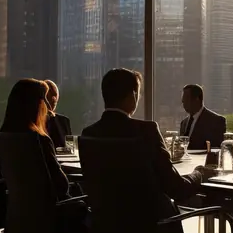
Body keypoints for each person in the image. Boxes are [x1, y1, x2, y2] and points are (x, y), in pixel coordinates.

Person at [82, 68, 214, 219]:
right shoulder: (146, 131)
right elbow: (177, 189)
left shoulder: (89, 135)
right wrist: (199, 173)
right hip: (152, 231)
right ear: (133, 95)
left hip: (105, 232)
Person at [0, 78, 73, 202]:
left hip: (19, 209)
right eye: (44, 99)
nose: (48, 106)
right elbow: (62, 186)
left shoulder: (3, 137)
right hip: (51, 210)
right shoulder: (40, 140)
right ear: (34, 105)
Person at [179, 84, 225, 150]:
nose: (183, 103)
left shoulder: (216, 121)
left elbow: (217, 148)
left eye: (186, 99)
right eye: (183, 100)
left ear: (197, 99)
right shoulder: (183, 123)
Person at [44, 79, 72, 149]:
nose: (54, 99)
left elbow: (70, 148)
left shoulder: (64, 121)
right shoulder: (64, 121)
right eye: (50, 94)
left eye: (54, 95)